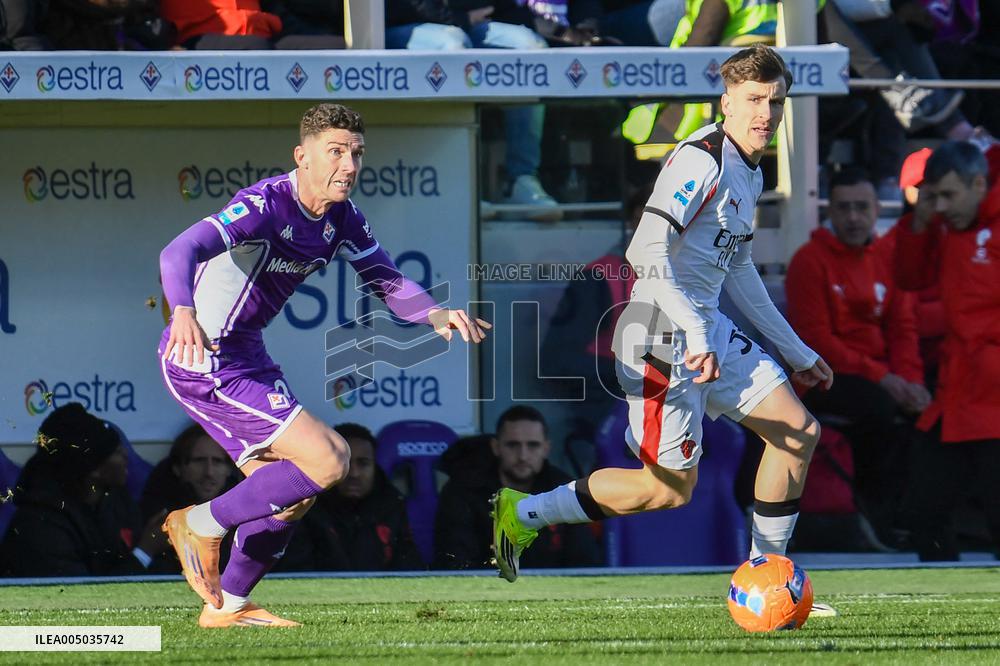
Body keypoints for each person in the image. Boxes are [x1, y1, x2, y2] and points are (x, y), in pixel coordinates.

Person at [491, 45, 836, 615]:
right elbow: (644, 248)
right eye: (752, 100)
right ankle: (521, 514)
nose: (764, 114)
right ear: (725, 101)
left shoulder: (748, 169)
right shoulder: (699, 159)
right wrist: (696, 337)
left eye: (775, 103)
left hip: (708, 331)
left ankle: (767, 580)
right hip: (659, 338)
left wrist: (796, 350)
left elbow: (739, 265)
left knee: (797, 433)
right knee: (667, 490)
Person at [157, 102, 490, 628]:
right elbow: (178, 252)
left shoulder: (342, 218)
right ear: (302, 156)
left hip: (248, 354)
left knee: (293, 497)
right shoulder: (266, 204)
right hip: (206, 358)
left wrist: (435, 313)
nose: (349, 165)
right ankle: (198, 522)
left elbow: (387, 280)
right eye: (335, 151)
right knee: (333, 459)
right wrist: (182, 311)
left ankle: (228, 607)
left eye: (356, 153)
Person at [785, 168, 927, 538]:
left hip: (881, 375)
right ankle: (874, 514)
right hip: (823, 378)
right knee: (879, 408)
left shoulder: (888, 258)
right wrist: (886, 380)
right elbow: (816, 341)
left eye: (861, 207)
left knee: (931, 406)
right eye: (844, 208)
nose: (853, 217)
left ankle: (923, 518)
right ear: (829, 211)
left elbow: (903, 328)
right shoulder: (808, 261)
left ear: (877, 209)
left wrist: (911, 381)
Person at [894, 140, 1000, 560]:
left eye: (949, 195)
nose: (941, 206)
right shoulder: (948, 226)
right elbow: (909, 278)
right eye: (934, 196)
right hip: (959, 390)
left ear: (979, 183)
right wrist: (919, 224)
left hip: (990, 392)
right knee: (924, 512)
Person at [384, 0, 561, 219]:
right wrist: (458, 19)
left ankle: (520, 180)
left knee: (531, 48)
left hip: (469, 24)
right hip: (403, 25)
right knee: (454, 45)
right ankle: (459, 183)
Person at [0, 403, 169, 577]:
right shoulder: (40, 526)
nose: (126, 455)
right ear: (93, 468)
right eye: (116, 451)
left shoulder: (115, 499)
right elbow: (81, 598)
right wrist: (146, 551)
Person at [435, 406, 602, 570]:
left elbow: (584, 563)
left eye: (533, 445)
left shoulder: (566, 490)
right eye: (513, 445)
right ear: (496, 447)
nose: (523, 455)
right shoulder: (463, 491)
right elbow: (456, 565)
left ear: (546, 449)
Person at [277, 423, 424, 572]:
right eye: (344, 463)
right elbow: (297, 573)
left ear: (375, 466)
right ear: (328, 464)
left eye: (363, 463)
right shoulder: (306, 506)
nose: (354, 473)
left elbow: (409, 565)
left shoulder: (392, 504)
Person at [140, 424, 240, 573]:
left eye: (218, 461)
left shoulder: (246, 513)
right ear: (178, 468)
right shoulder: (157, 518)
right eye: (199, 461)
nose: (209, 472)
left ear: (228, 470)